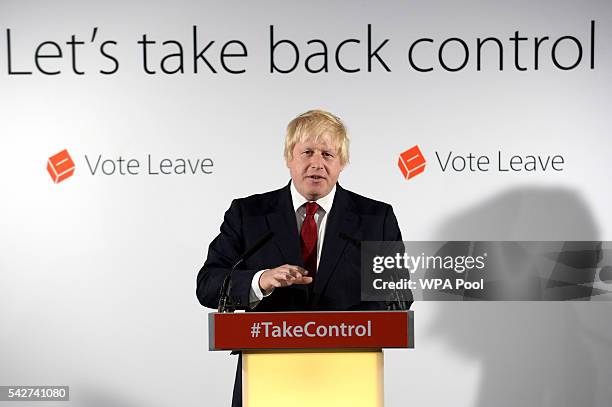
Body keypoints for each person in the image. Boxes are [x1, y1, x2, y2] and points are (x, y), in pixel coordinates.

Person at [196, 109, 409, 406]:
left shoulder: (375, 218)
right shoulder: (249, 214)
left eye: (327, 154)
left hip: (349, 375)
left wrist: (339, 330)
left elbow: (399, 294)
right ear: (289, 157)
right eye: (307, 152)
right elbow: (208, 284)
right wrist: (260, 280)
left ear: (342, 162)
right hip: (266, 376)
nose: (316, 164)